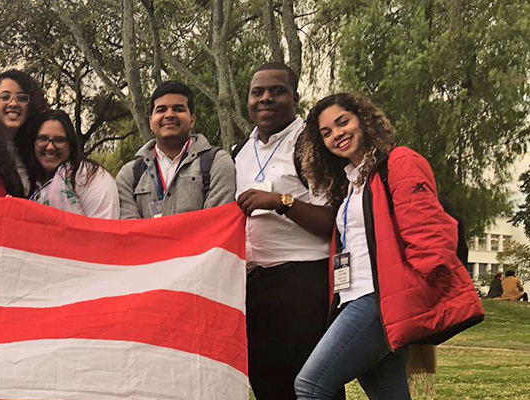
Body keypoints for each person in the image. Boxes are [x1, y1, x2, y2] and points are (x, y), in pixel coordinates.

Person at [294, 92, 484, 399]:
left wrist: (415, 294)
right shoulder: (351, 183)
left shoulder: (400, 162)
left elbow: (431, 234)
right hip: (355, 297)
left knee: (311, 385)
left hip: (379, 300)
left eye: (343, 122)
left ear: (364, 120)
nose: (337, 134)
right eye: (326, 133)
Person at [232, 62, 335, 400]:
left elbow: (331, 223)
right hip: (254, 286)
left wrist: (282, 201)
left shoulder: (312, 144)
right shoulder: (240, 152)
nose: (265, 99)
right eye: (257, 92)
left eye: (277, 91)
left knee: (314, 387)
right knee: (266, 384)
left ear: (295, 97)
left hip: (303, 283)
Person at [115, 81, 235, 218]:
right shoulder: (129, 175)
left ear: (192, 120)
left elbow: (216, 224)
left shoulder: (217, 163)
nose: (169, 115)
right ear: (151, 122)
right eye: (161, 110)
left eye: (178, 109)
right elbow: (130, 232)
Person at [26, 110, 120, 218]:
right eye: (43, 139)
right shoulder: (29, 182)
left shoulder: (90, 176)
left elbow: (105, 229)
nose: (50, 147)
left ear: (70, 145)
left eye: (59, 140)